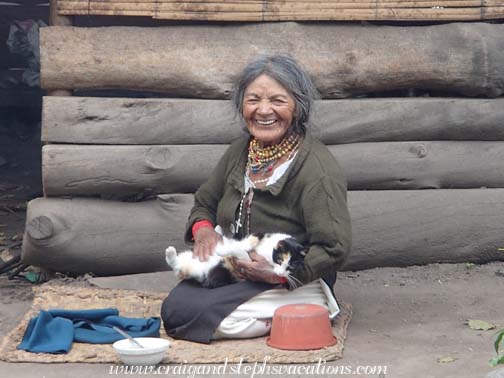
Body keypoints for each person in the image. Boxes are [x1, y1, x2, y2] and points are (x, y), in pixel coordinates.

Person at [161, 55, 351, 343]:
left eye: (277, 100)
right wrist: (203, 233)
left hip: (295, 277)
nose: (263, 110)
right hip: (236, 271)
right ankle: (282, 316)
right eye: (253, 100)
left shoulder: (317, 170)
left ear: (298, 106)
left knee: (198, 316)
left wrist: (277, 274)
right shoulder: (241, 151)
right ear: (241, 105)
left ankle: (310, 308)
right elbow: (205, 202)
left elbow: (334, 247)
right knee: (177, 309)